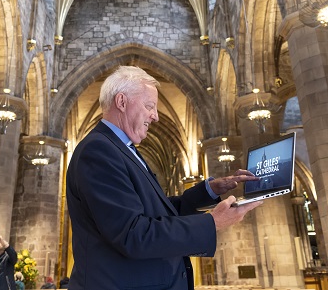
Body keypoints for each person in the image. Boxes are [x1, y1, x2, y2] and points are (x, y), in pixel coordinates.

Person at [66, 65, 263, 290]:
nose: (156, 116)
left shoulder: (120, 148)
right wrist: (212, 222)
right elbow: (133, 234)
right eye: (150, 106)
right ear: (121, 102)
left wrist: (209, 191)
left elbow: (154, 214)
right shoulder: (99, 151)